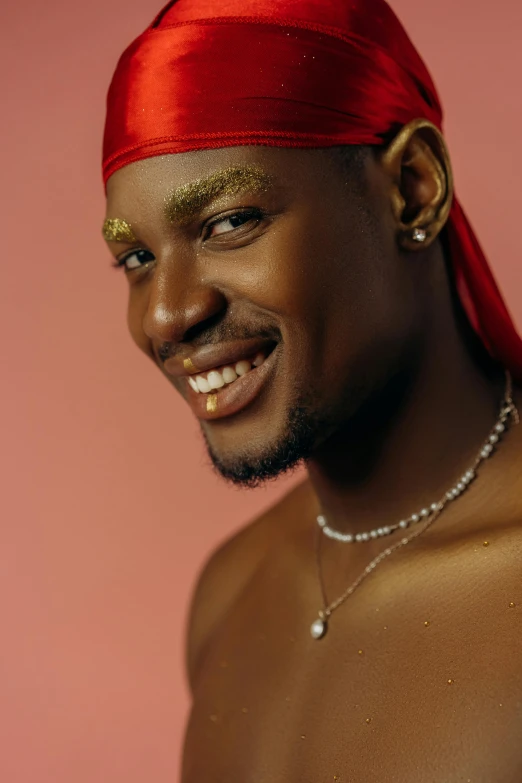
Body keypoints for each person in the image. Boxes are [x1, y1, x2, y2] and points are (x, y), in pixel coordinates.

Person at [102, 0, 522, 779]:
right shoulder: (230, 597)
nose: (166, 314)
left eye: (230, 222)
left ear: (413, 188)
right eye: (137, 260)